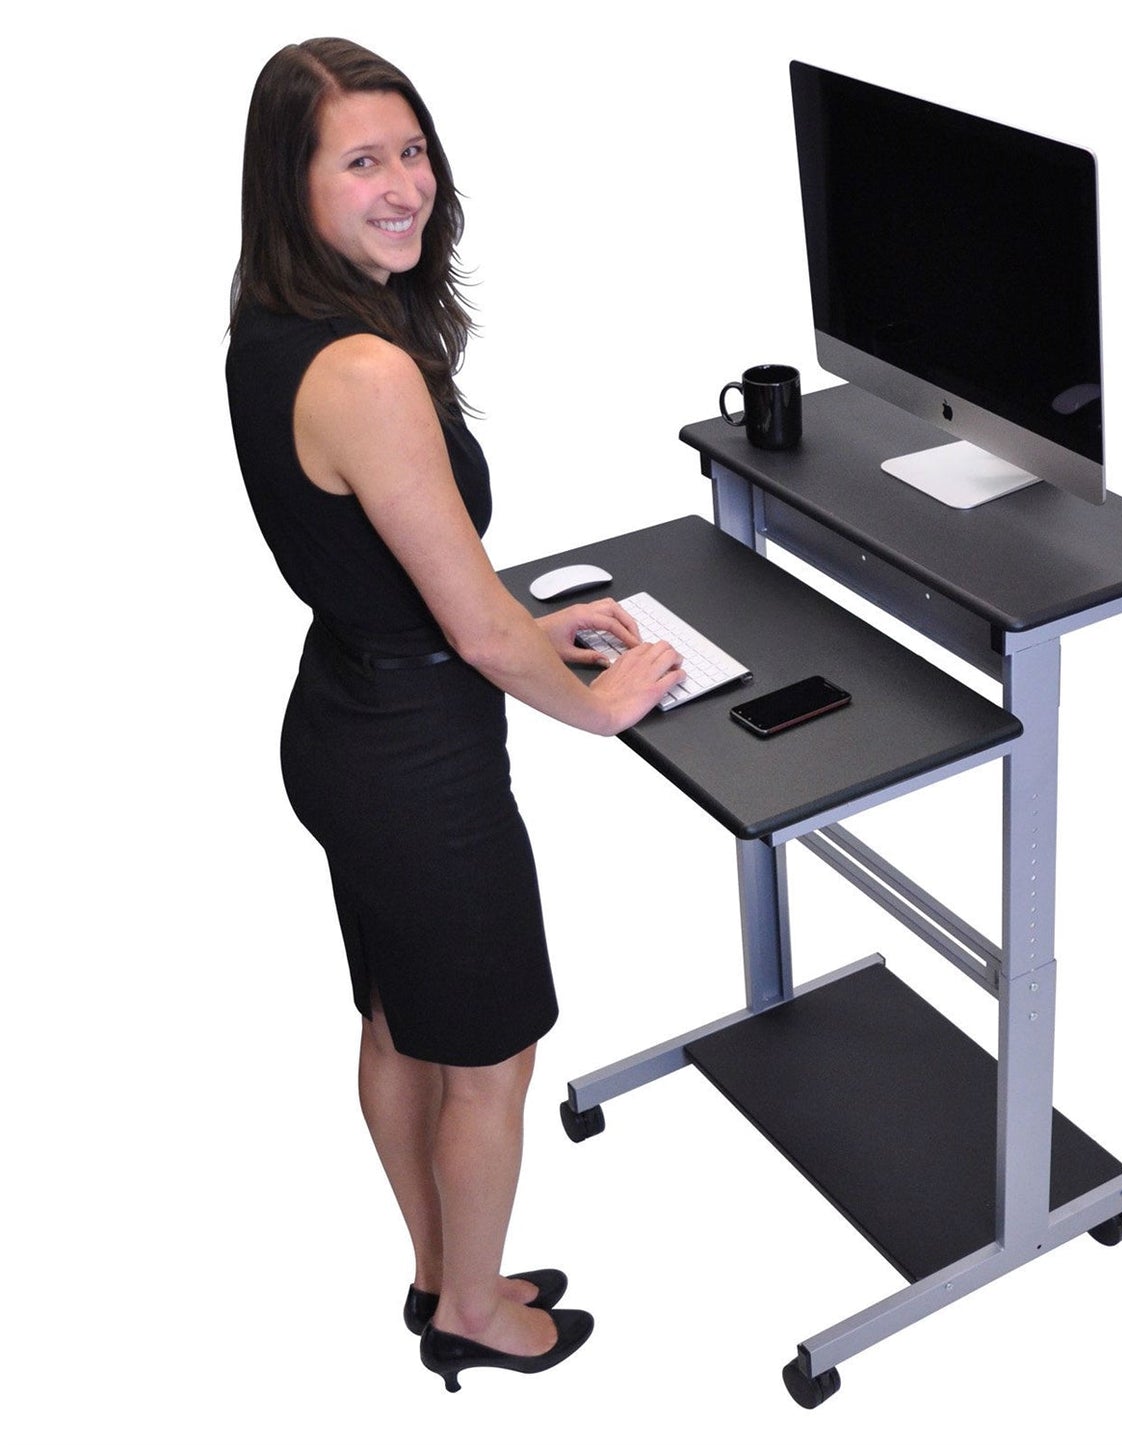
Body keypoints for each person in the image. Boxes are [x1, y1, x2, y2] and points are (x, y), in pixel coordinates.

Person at [226, 37, 683, 1392]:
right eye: (361, 161)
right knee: (487, 1049)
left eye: (411, 151)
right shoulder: (364, 374)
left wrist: (530, 629)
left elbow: (411, 579)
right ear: (290, 183)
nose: (403, 187)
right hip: (413, 757)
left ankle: (443, 1270)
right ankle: (476, 1311)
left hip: (346, 716)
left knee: (395, 1022)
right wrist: (592, 700)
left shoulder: (275, 328)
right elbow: (474, 627)